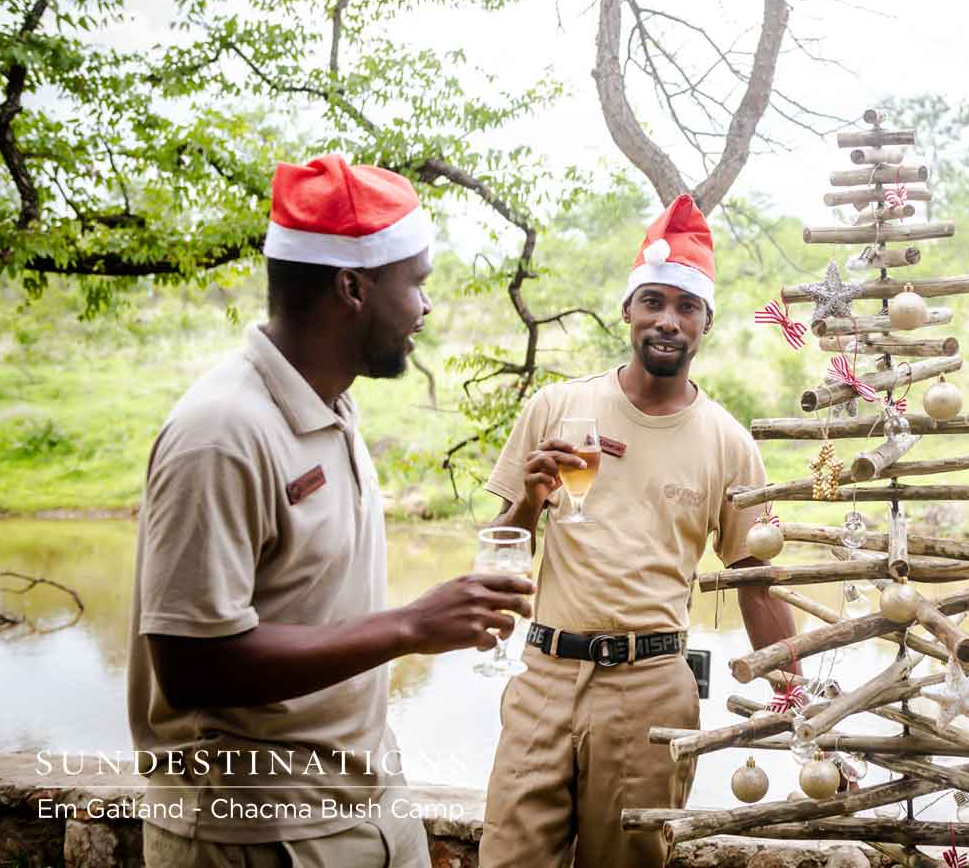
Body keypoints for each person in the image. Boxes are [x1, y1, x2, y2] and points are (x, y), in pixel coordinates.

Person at [128, 155, 534, 868]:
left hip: (371, 803)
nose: (426, 308)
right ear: (353, 286)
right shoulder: (221, 433)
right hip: (257, 835)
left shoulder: (331, 405)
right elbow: (191, 666)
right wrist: (411, 625)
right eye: (418, 284)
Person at [478, 194, 799, 868]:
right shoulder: (559, 407)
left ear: (706, 322)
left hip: (651, 686)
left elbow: (756, 583)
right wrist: (531, 500)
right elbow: (501, 551)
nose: (667, 321)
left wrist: (793, 692)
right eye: (652, 301)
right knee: (509, 855)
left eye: (686, 307)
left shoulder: (728, 443)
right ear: (628, 310)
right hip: (544, 675)